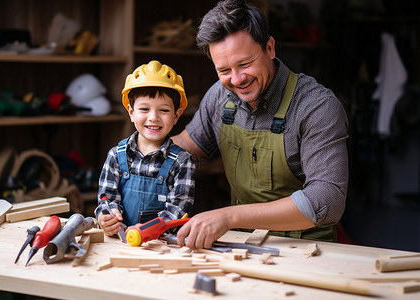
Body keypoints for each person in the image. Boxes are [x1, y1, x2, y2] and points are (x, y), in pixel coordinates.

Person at [173, 0, 348, 249]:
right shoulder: (220, 96)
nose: (237, 79)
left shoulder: (317, 107)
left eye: (245, 64)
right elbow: (187, 147)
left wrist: (229, 216)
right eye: (224, 70)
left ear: (269, 47)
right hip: (239, 244)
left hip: (307, 250)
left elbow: (327, 201)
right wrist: (134, 155)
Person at [95, 60, 196, 236]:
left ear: (176, 115)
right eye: (144, 109)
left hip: (160, 247)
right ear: (131, 112)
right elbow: (106, 199)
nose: (153, 117)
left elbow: (177, 212)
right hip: (120, 243)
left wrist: (146, 231)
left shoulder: (182, 162)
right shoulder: (116, 156)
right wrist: (106, 217)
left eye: (163, 110)